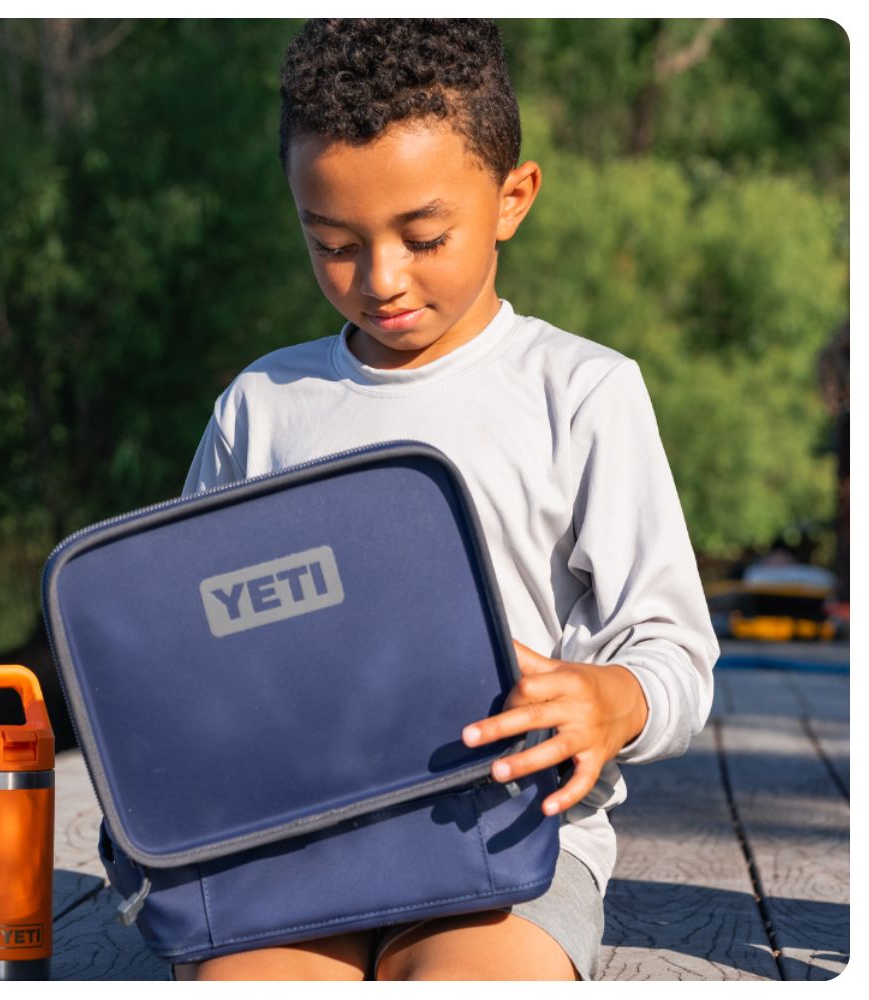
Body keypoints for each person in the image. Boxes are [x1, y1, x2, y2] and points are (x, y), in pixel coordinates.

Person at [176, 19, 718, 981]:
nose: (380, 279)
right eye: (333, 243)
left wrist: (611, 699)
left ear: (513, 198)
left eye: (423, 238)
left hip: (508, 843)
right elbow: (185, 630)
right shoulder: (262, 406)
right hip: (288, 839)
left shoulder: (581, 392)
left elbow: (675, 649)